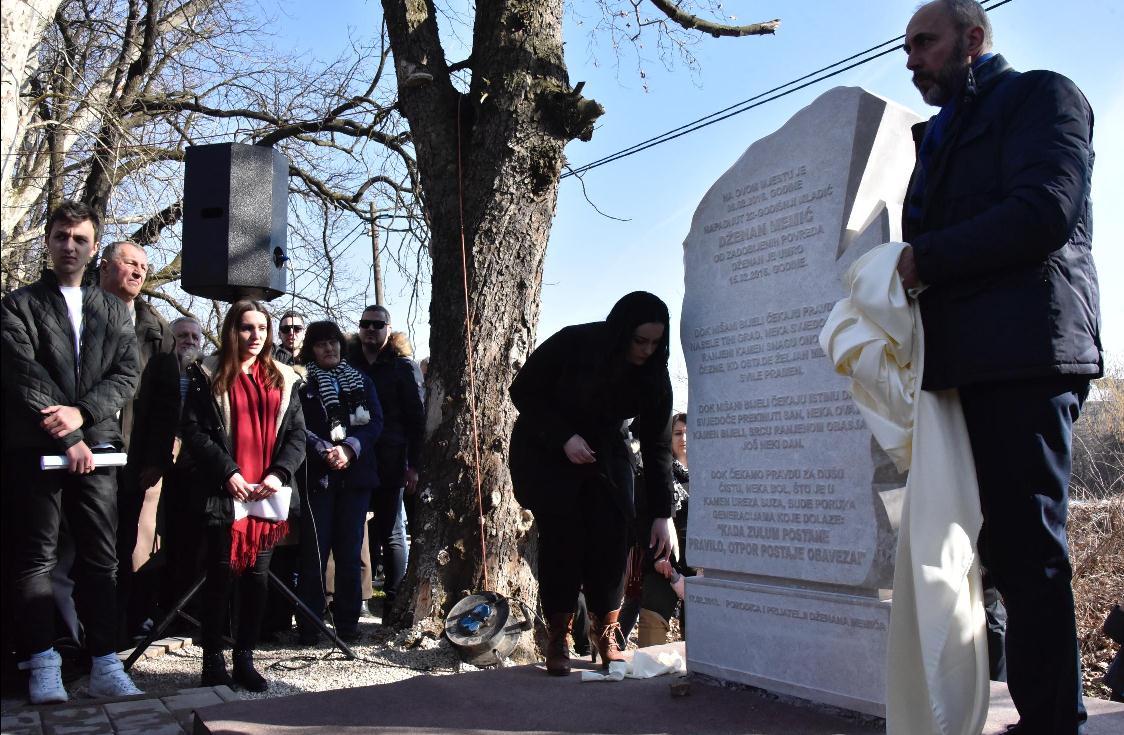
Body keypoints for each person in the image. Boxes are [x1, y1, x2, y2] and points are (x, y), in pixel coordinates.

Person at [897, 2, 1101, 733]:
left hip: (1026, 355)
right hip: (956, 368)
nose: (911, 58)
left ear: (974, 38)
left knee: (1027, 548)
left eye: (925, 42)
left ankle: (1052, 721)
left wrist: (926, 259)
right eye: (907, 47)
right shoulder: (938, 138)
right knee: (981, 555)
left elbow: (1045, 210)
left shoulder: (1044, 96)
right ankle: (1021, 710)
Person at [1, 200, 143, 703]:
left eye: (80, 239)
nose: (69, 246)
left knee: (101, 561)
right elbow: (22, 374)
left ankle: (105, 661)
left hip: (98, 450)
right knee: (35, 559)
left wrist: (82, 417)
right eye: (61, 236)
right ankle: (43, 663)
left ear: (93, 247)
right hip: (34, 450)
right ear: (48, 240)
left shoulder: (112, 309)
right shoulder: (18, 305)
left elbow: (127, 374)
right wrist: (67, 435)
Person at [508, 291, 678, 676]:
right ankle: (558, 637)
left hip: (607, 452)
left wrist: (661, 514)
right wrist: (564, 437)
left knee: (613, 541)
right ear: (621, 332)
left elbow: (657, 445)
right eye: (640, 341)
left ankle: (606, 631)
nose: (647, 350)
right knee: (563, 541)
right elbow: (523, 392)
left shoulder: (654, 373)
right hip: (551, 450)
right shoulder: (574, 342)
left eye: (655, 342)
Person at [180, 300, 306, 692]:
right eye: (246, 328)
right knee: (220, 576)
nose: (255, 337)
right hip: (226, 490)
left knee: (257, 579)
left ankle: (245, 658)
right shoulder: (207, 373)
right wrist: (229, 472)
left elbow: (297, 435)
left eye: (262, 329)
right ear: (232, 330)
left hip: (267, 494)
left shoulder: (283, 378)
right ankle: (212, 659)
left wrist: (279, 473)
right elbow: (194, 431)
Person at [98, 240, 180, 646]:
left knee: (120, 548)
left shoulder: (156, 329)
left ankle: (110, 638)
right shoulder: (72, 312)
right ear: (104, 267)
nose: (138, 272)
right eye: (129, 263)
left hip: (129, 460)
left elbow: (167, 403)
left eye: (144, 267)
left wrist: (157, 459)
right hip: (73, 455)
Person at [295, 320, 383, 644]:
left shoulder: (361, 380)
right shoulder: (302, 384)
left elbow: (375, 422)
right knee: (314, 555)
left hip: (355, 478)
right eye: (320, 344)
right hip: (319, 478)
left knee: (349, 554)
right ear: (311, 349)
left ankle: (347, 626)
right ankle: (309, 626)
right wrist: (323, 449)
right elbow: (296, 424)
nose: (328, 348)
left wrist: (349, 448)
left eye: (333, 342)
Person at [347, 305, 424, 620]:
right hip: (355, 457)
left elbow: (415, 420)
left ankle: (392, 603)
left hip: (392, 459)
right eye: (365, 324)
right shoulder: (348, 364)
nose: (370, 329)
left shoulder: (401, 367)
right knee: (356, 532)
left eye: (377, 324)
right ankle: (351, 602)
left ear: (389, 329)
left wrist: (414, 465)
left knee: (392, 532)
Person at [637, 412, 692, 647]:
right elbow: (645, 516)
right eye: (678, 433)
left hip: (702, 569)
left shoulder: (713, 475)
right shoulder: (659, 474)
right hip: (665, 563)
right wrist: (659, 558)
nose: (684, 438)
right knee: (652, 628)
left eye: (689, 433)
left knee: (699, 638)